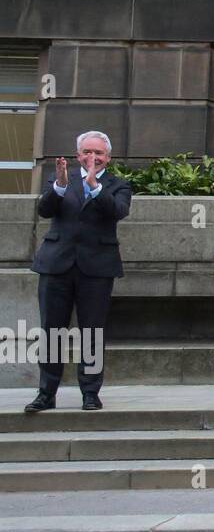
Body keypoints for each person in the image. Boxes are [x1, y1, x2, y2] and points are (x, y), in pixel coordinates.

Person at [24, 131, 132, 413]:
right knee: (52, 331)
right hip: (56, 265)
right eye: (87, 152)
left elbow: (117, 212)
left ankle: (90, 393)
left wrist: (95, 186)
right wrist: (59, 186)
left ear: (108, 157)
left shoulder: (117, 185)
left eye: (98, 153)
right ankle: (46, 393)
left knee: (92, 332)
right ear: (77, 155)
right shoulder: (61, 179)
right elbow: (45, 209)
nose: (92, 157)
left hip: (96, 268)